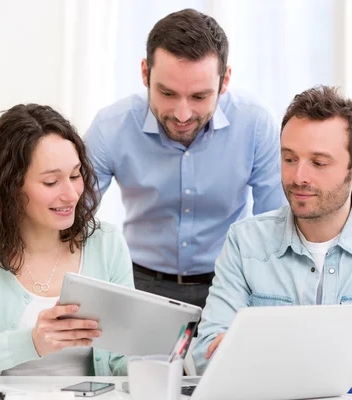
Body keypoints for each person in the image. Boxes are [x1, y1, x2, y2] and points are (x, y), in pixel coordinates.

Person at [193, 86, 352, 380]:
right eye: (289, 159)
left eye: (319, 163)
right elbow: (206, 355)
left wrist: (272, 346)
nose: (299, 176)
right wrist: (347, 346)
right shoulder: (245, 241)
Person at [0, 104, 134, 380]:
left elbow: (121, 359)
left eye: (75, 176)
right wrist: (31, 343)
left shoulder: (106, 243)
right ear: (10, 186)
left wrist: (160, 361)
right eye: (51, 182)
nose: (71, 194)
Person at [84, 9, 286, 308]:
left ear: (225, 80)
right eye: (167, 93)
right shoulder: (111, 126)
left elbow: (276, 225)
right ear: (145, 73)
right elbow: (73, 214)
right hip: (140, 282)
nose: (182, 114)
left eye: (199, 97)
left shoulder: (254, 123)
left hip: (230, 281)